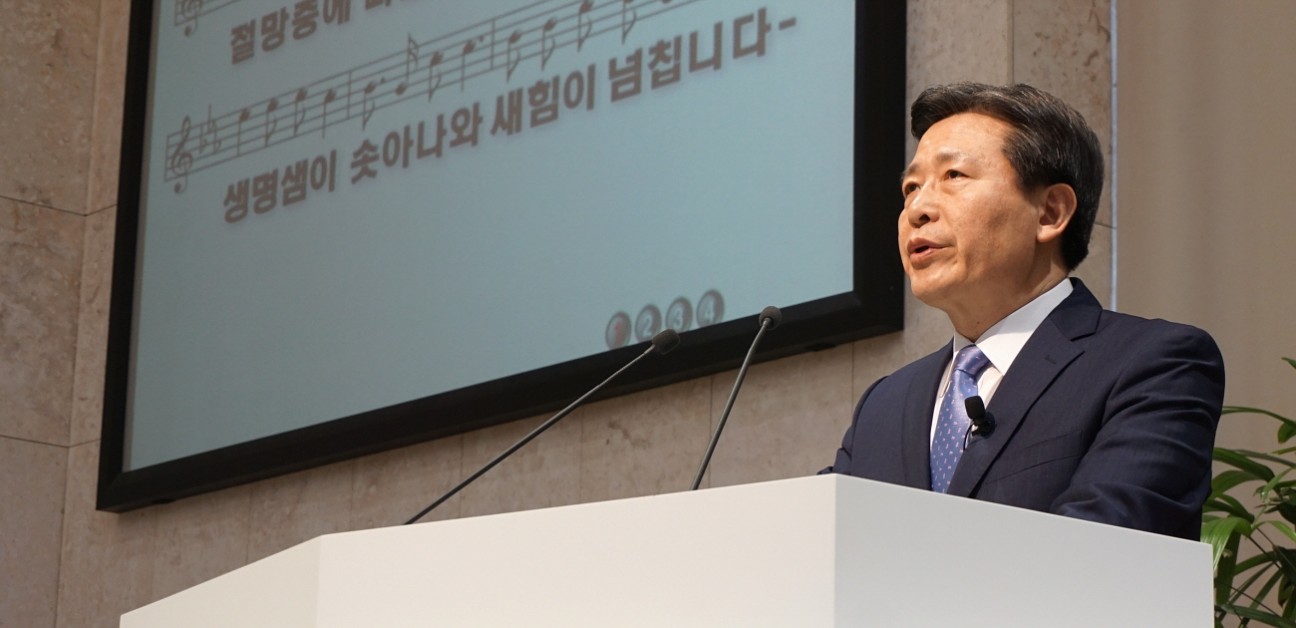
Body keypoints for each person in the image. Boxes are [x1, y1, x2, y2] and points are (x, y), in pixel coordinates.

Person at [823, 82, 1224, 540]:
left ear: (1050, 213)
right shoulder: (885, 404)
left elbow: (1101, 543)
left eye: (953, 176)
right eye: (911, 187)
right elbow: (817, 543)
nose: (917, 208)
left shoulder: (1155, 363)